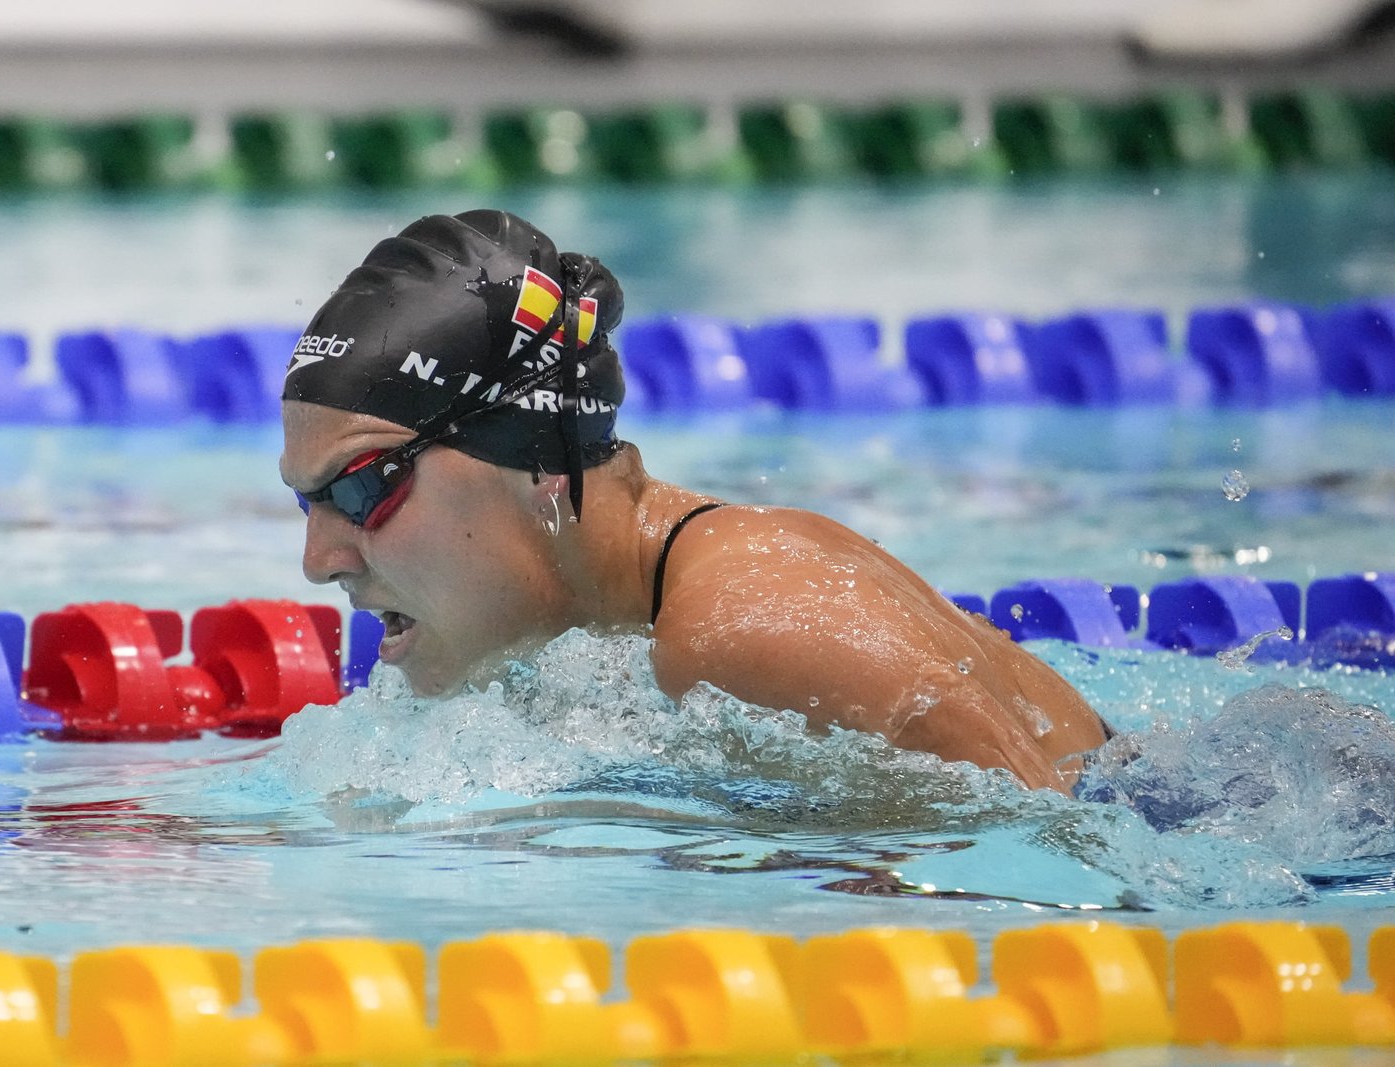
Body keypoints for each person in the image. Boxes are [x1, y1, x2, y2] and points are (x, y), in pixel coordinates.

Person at [279, 210, 1108, 792]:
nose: (319, 560)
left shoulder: (740, 627)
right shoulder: (632, 620)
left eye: (362, 487)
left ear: (535, 463)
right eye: (306, 502)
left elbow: (1059, 872)